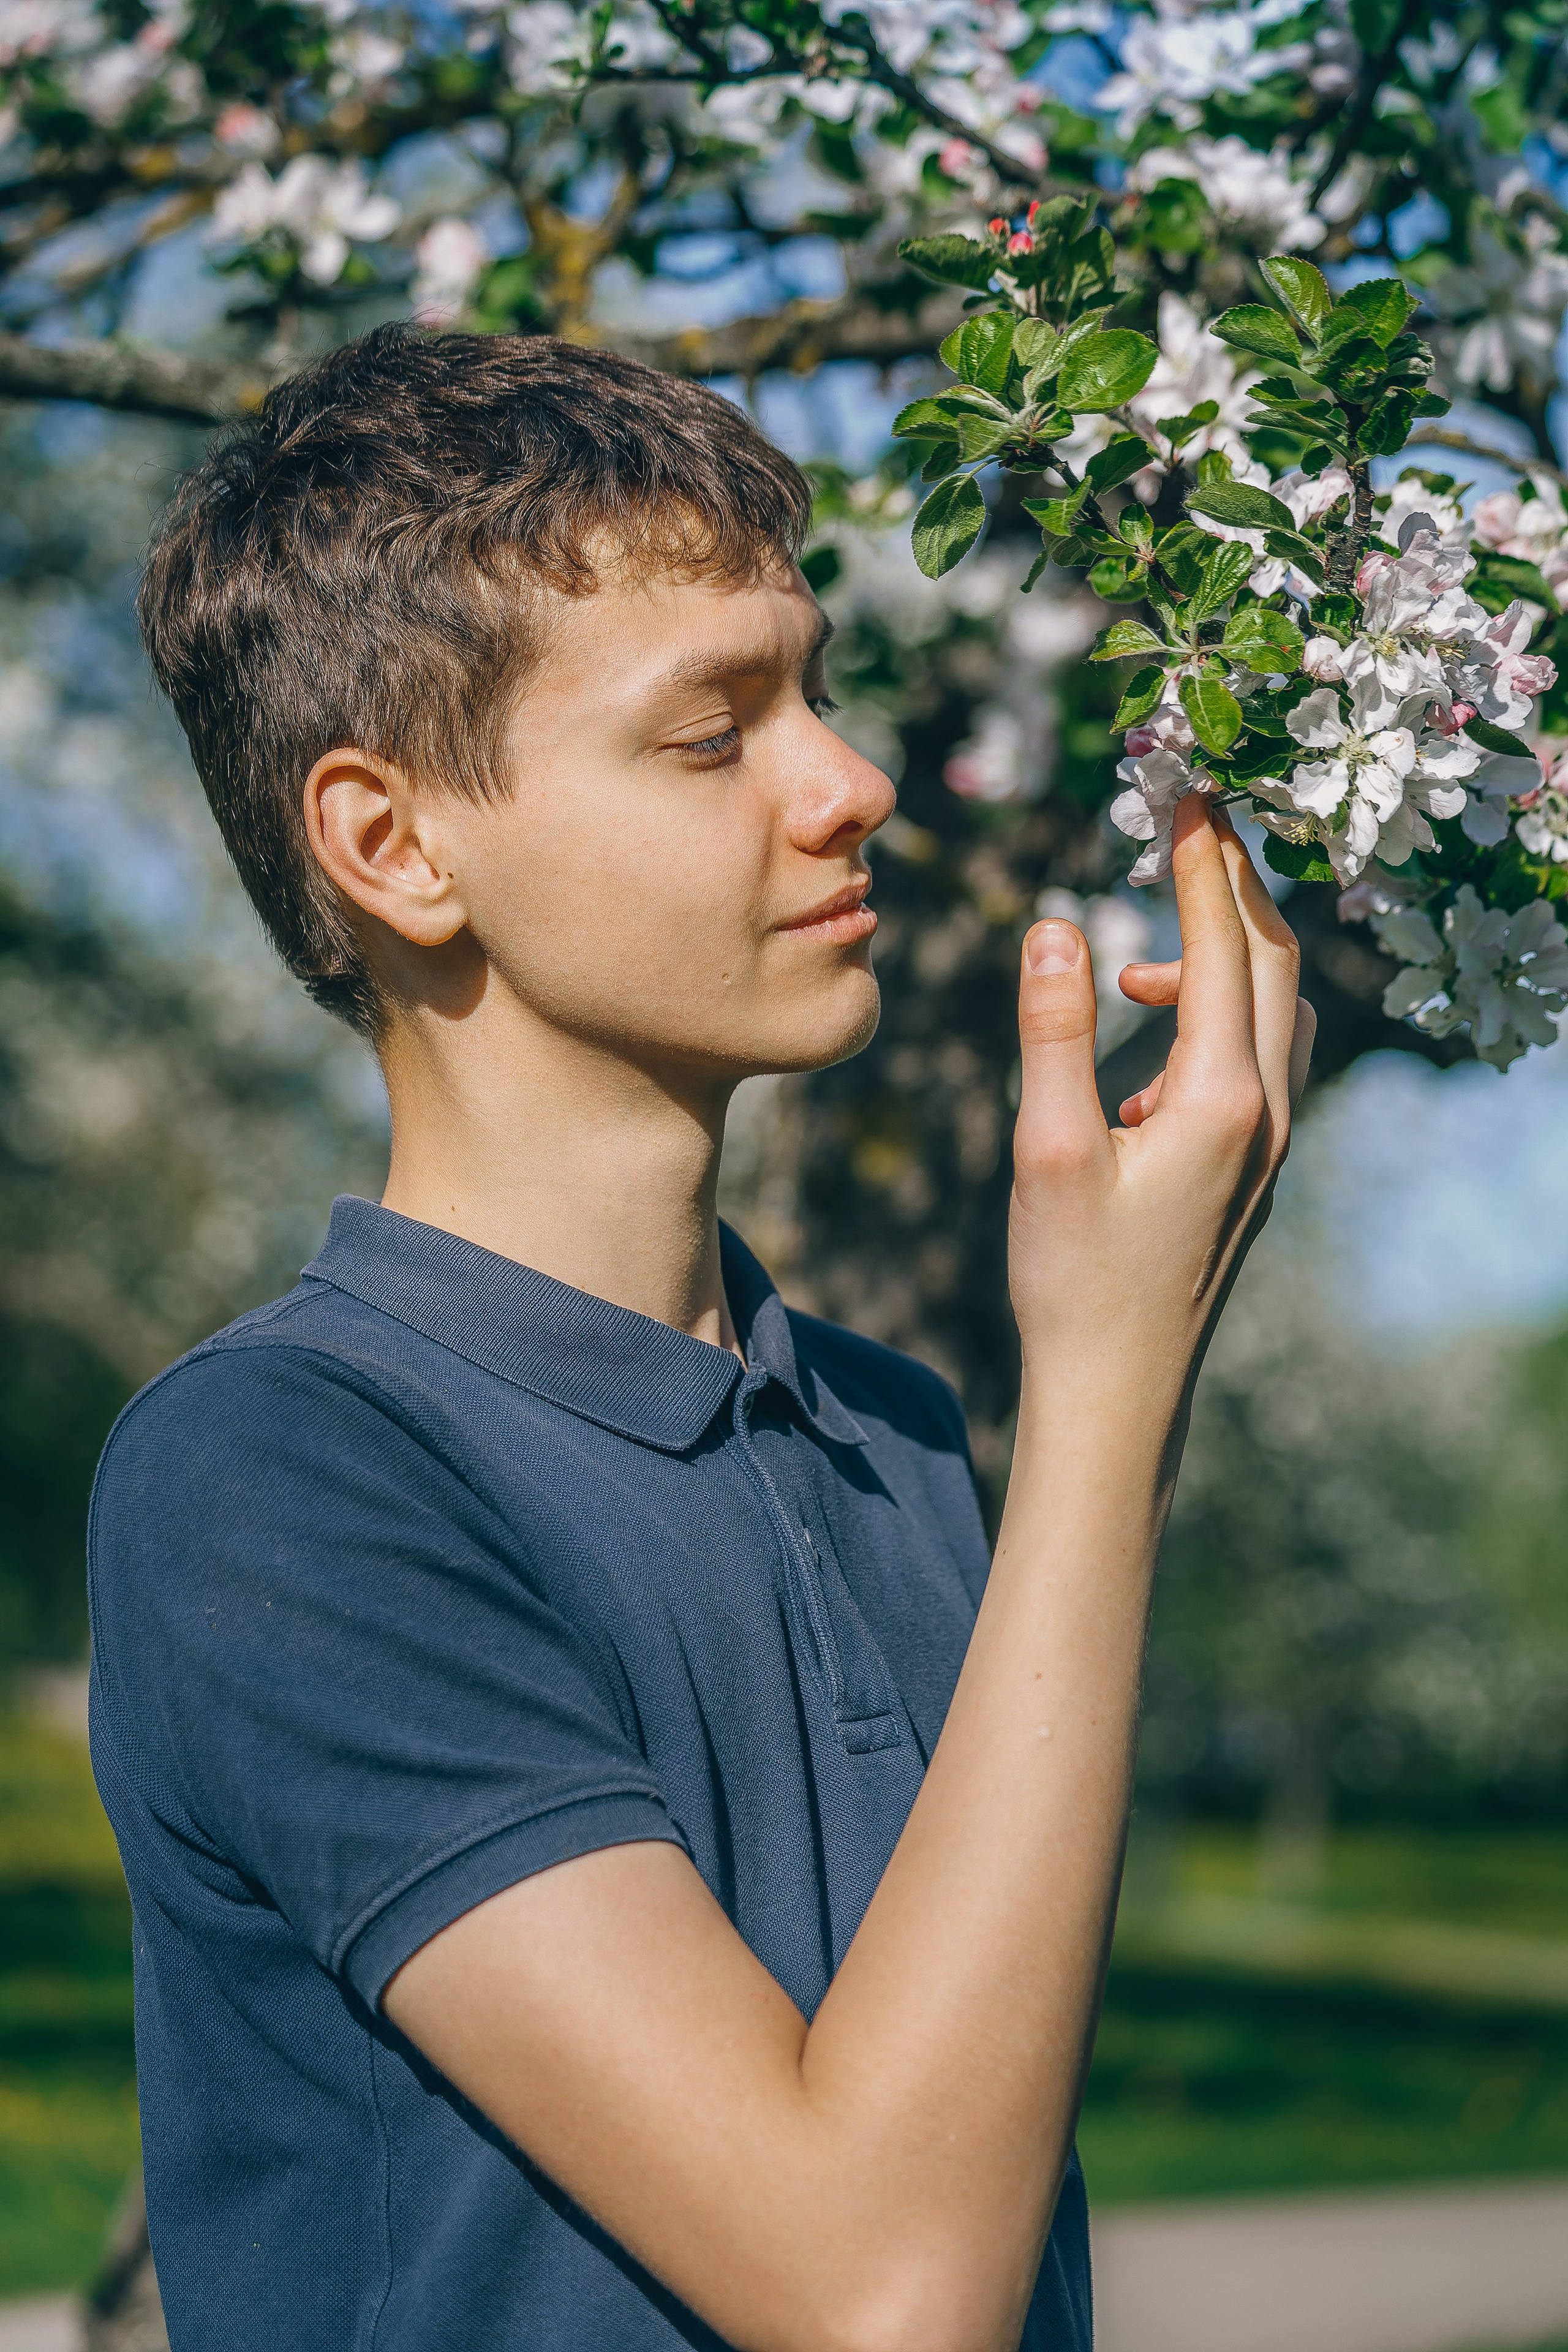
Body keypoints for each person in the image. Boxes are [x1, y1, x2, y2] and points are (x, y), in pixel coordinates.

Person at [89, 325, 1311, 2352]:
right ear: (393, 845)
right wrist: (1112, 1394)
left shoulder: (888, 1434)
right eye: (711, 731)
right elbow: (879, 2293)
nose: (852, 781)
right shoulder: (280, 1474)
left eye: (813, 689)